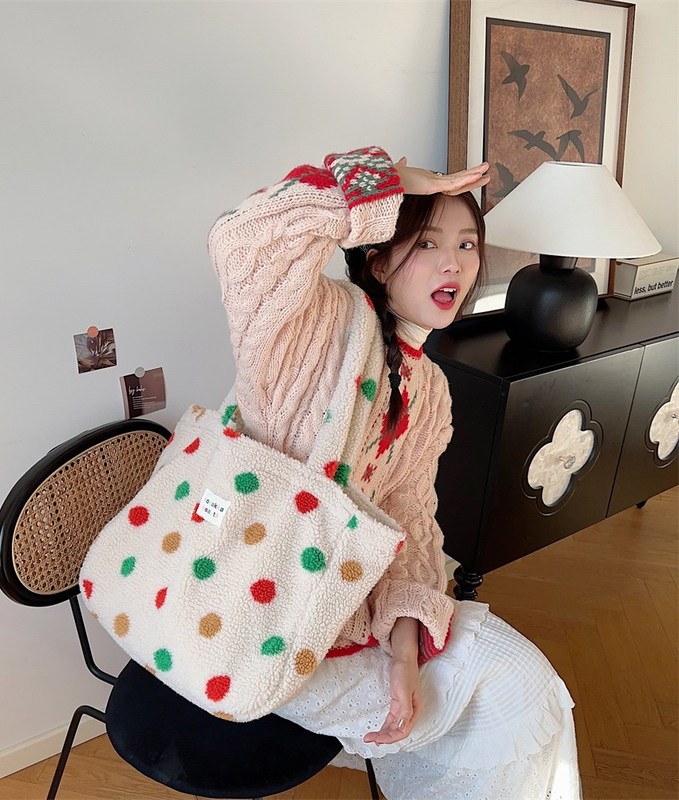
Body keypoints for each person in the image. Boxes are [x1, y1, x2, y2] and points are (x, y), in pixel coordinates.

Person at [208, 147, 581, 799]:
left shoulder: (429, 389)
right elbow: (242, 238)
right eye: (427, 242)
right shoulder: (311, 327)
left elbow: (409, 518)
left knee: (529, 689)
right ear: (378, 258)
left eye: (467, 244)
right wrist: (382, 181)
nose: (453, 263)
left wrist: (405, 649)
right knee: (498, 709)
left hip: (349, 607)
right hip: (248, 614)